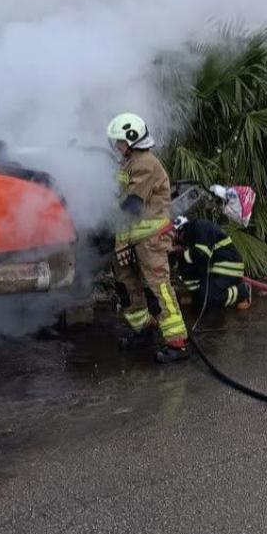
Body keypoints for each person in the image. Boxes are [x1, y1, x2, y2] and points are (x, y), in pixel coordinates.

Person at [107, 113, 190, 363]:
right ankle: (144, 330)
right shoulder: (129, 161)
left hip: (150, 239)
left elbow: (132, 206)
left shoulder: (145, 163)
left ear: (131, 140)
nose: (117, 146)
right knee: (127, 284)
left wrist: (117, 236)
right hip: (132, 238)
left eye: (119, 141)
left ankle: (177, 343)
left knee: (159, 287)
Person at [172, 216, 252, 311]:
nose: (174, 240)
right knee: (202, 300)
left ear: (180, 229)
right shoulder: (188, 236)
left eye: (173, 235)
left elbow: (202, 255)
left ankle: (242, 291)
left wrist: (180, 253)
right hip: (212, 268)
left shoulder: (201, 226)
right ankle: (197, 298)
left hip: (228, 266)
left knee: (210, 298)